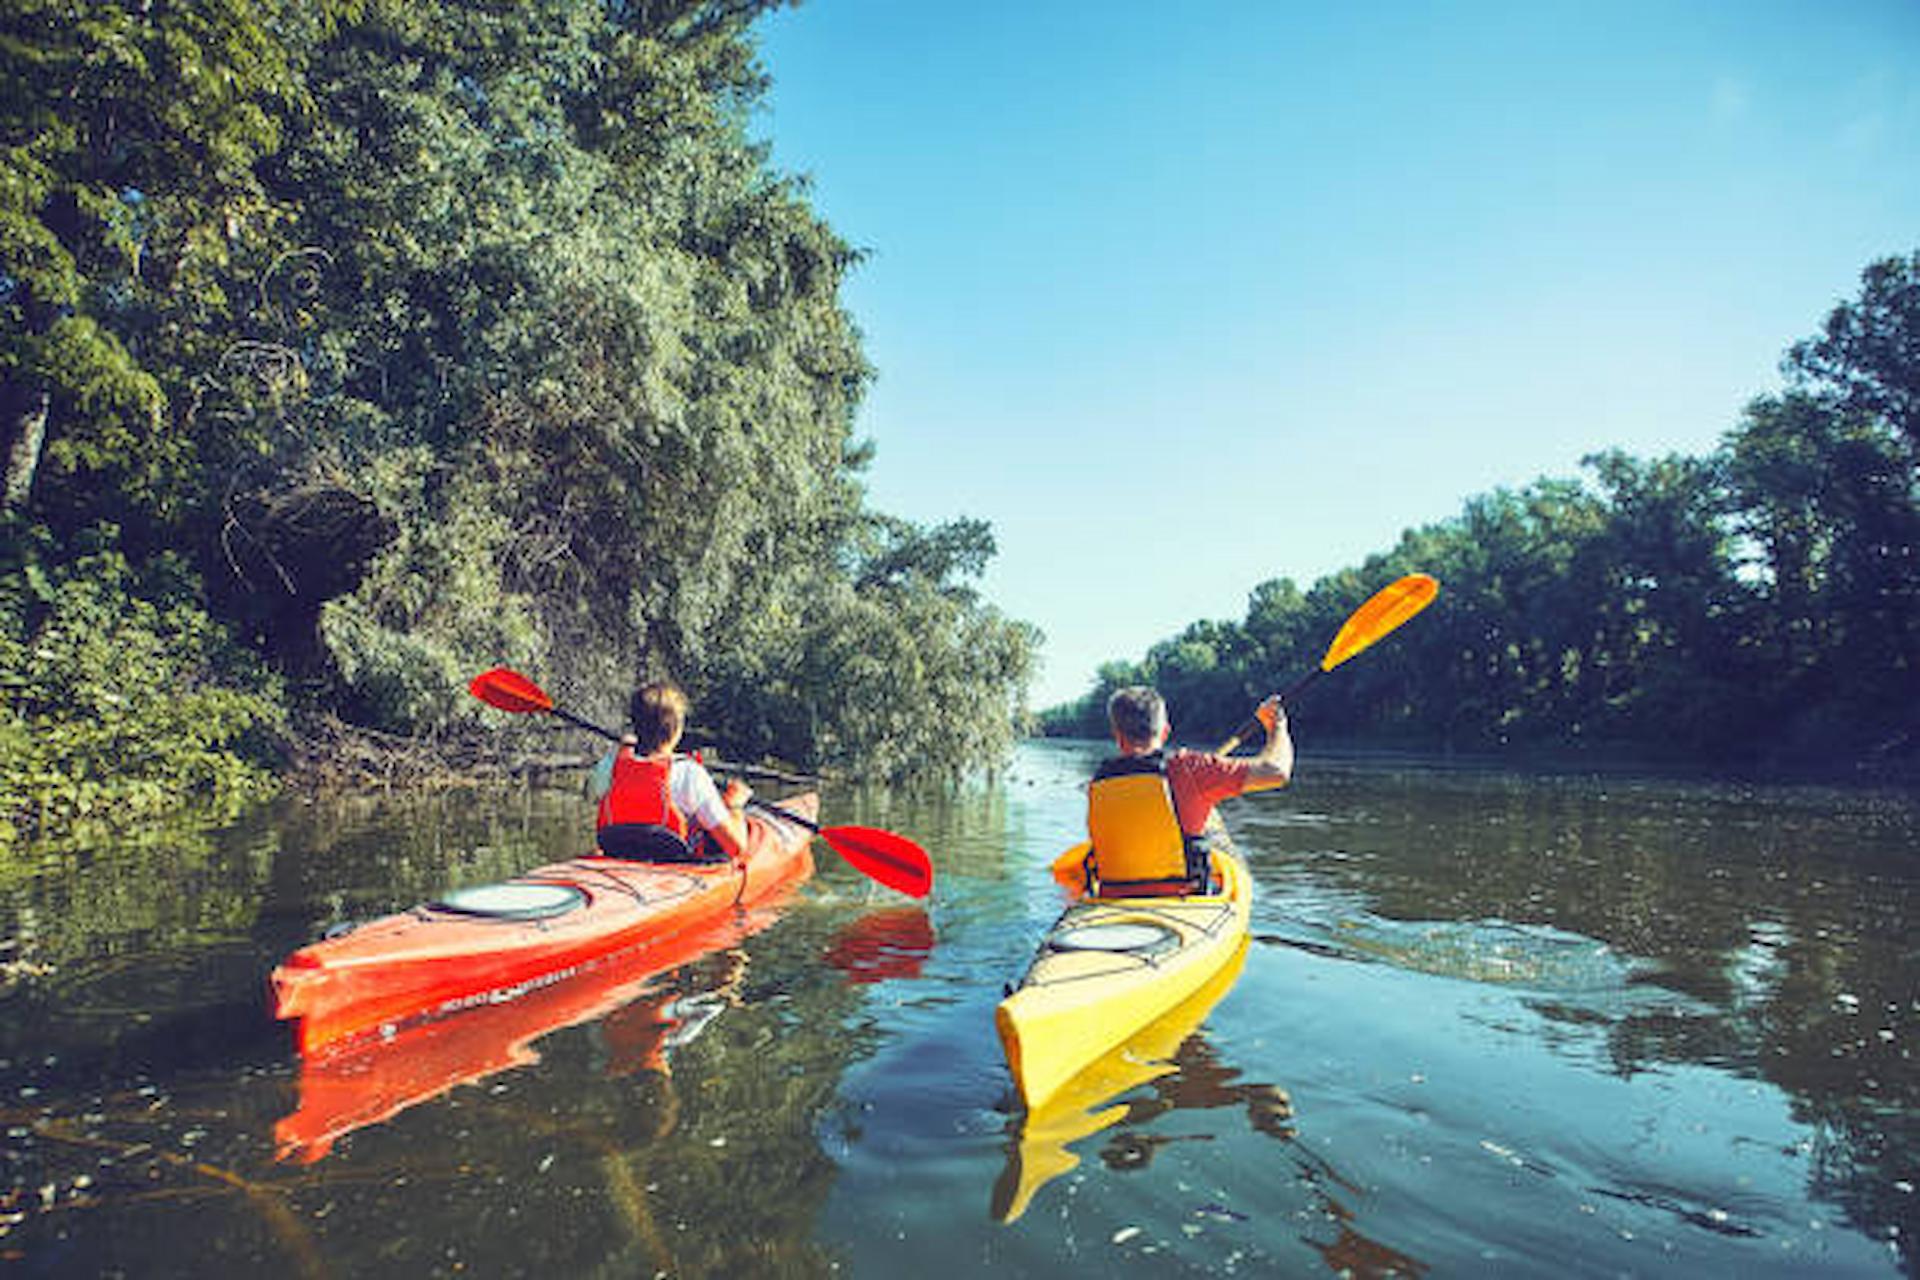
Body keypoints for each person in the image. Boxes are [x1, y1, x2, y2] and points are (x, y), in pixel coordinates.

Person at [1083, 686, 1293, 896]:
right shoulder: (1190, 768)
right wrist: (1277, 726)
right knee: (1213, 828)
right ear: (1165, 731)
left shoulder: (1098, 782)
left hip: (1112, 896)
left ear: (1117, 736)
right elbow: (1277, 771)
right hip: (1183, 896)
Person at [588, 681, 753, 863]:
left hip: (619, 855)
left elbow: (592, 792)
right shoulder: (690, 774)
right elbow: (736, 847)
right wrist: (734, 806)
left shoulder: (611, 764)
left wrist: (622, 750)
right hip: (673, 869)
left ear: (635, 725)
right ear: (676, 730)